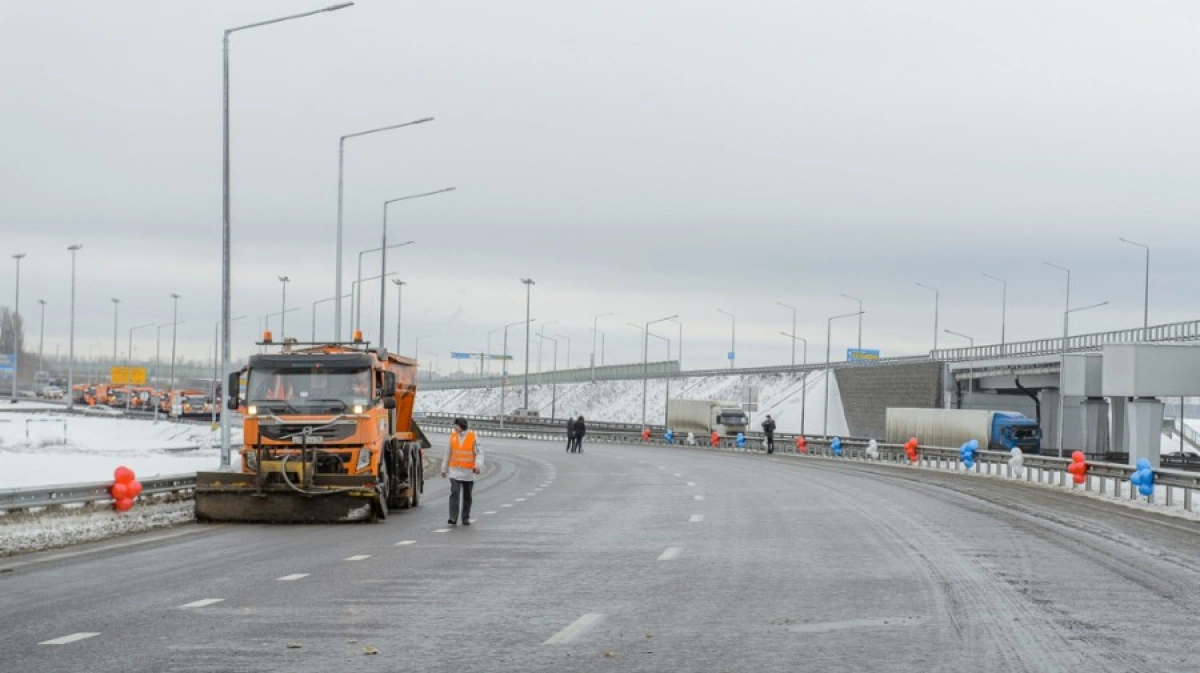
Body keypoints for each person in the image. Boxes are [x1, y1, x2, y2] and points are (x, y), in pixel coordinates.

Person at [441, 417, 483, 526]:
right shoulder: (453, 437)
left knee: (467, 496)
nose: (454, 427)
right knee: (454, 492)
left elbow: (479, 453)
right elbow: (448, 453)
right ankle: (453, 517)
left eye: (456, 425)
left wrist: (478, 466)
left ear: (461, 426)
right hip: (454, 471)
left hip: (469, 472)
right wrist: (444, 468)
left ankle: (465, 517)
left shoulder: (473, 437)